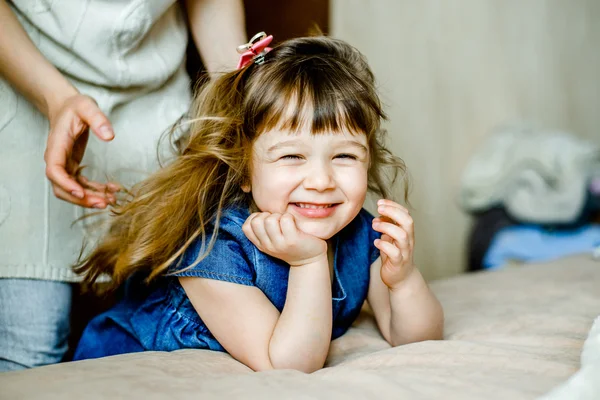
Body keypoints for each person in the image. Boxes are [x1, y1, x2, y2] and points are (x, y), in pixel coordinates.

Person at [72, 34, 444, 373]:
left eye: (344, 156)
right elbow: (289, 364)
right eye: (291, 157)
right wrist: (309, 261)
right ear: (245, 171)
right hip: (130, 365)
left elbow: (414, 339)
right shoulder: (212, 245)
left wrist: (403, 280)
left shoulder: (359, 232)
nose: (321, 181)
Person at [0, 0, 246, 371]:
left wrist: (244, 87)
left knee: (165, 329)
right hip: (22, 85)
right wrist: (56, 98)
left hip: (157, 106)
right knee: (30, 341)